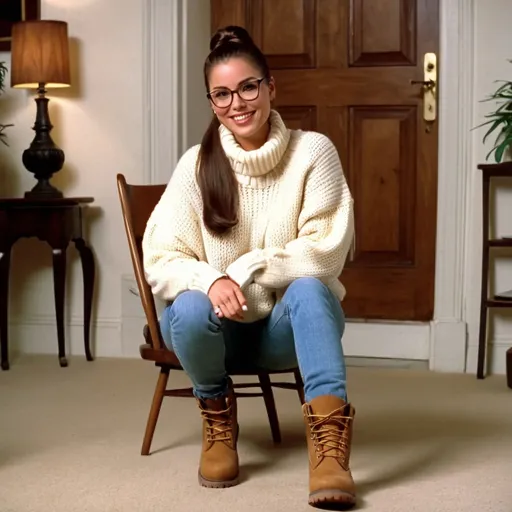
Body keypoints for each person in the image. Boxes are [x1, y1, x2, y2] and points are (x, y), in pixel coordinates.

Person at [142, 25, 356, 510]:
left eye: (247, 86)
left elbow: (326, 251)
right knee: (191, 304)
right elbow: (159, 258)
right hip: (211, 335)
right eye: (221, 94)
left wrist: (247, 268)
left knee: (307, 287)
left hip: (283, 330)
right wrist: (210, 278)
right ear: (212, 101)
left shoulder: (313, 153)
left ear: (270, 87)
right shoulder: (197, 165)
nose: (236, 103)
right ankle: (217, 416)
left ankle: (329, 448)